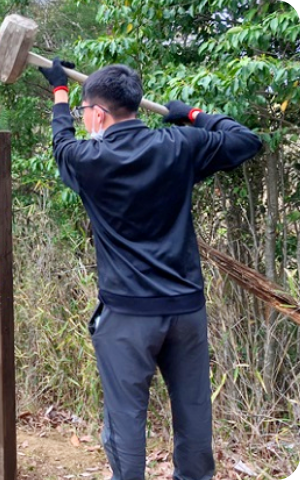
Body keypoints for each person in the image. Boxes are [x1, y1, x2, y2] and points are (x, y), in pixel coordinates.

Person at [38, 58, 262, 480]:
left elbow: (60, 144)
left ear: (98, 114)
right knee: (194, 412)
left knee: (126, 422)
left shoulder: (89, 159)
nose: (83, 120)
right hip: (185, 311)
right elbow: (245, 140)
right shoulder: (180, 145)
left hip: (127, 316)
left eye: (85, 112)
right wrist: (194, 116)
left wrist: (58, 92)